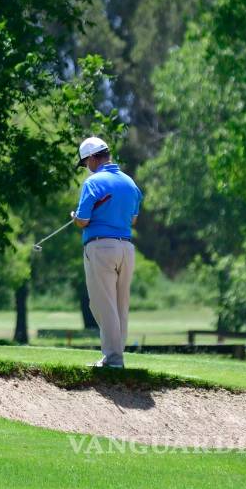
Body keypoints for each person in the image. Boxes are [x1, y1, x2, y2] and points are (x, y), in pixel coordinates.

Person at [71, 136, 141, 368]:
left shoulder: (93, 183)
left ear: (92, 158)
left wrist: (75, 218)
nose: (86, 168)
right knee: (120, 304)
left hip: (101, 247)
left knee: (103, 304)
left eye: (85, 163)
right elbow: (133, 218)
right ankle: (115, 355)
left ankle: (113, 359)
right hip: (126, 248)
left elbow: (83, 220)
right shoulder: (131, 183)